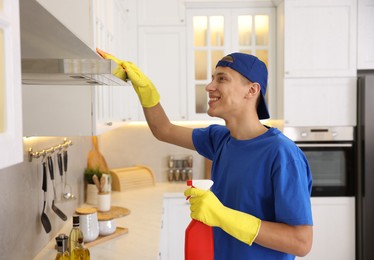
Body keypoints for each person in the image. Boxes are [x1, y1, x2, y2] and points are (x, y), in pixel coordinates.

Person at [97, 48, 313, 259]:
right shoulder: (220, 139)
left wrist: (222, 216)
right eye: (212, 78)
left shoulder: (282, 154)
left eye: (222, 79)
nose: (209, 86)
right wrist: (144, 89)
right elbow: (164, 130)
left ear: (252, 90)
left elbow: (301, 242)